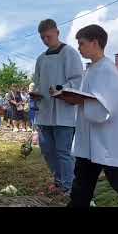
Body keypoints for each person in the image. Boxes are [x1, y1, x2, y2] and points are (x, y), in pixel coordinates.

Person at [67, 24, 118, 207]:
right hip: (90, 139)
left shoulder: (107, 69)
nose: (79, 48)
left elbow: (110, 104)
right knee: (82, 184)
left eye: (82, 43)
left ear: (95, 43)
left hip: (107, 140)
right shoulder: (92, 69)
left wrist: (81, 101)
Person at [33, 19, 84, 195]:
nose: (46, 40)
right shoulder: (41, 59)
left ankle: (68, 186)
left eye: (48, 36)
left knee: (63, 151)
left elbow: (77, 79)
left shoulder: (69, 53)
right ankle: (59, 180)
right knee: (47, 150)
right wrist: (37, 93)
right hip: (46, 111)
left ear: (57, 32)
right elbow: (37, 82)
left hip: (64, 112)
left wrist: (60, 89)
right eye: (42, 38)